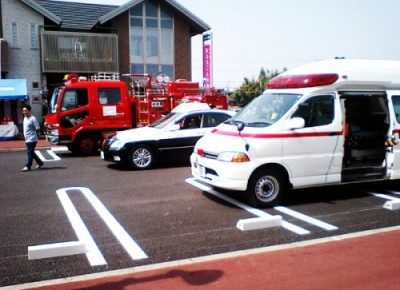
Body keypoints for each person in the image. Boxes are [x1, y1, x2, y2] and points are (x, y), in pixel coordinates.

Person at [21, 104, 44, 172]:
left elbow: (38, 128)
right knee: (31, 152)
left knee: (29, 152)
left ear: (30, 111)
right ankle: (40, 162)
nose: (24, 112)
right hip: (27, 138)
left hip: (32, 138)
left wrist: (37, 136)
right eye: (23, 110)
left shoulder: (33, 119)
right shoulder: (25, 118)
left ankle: (27, 166)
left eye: (26, 110)